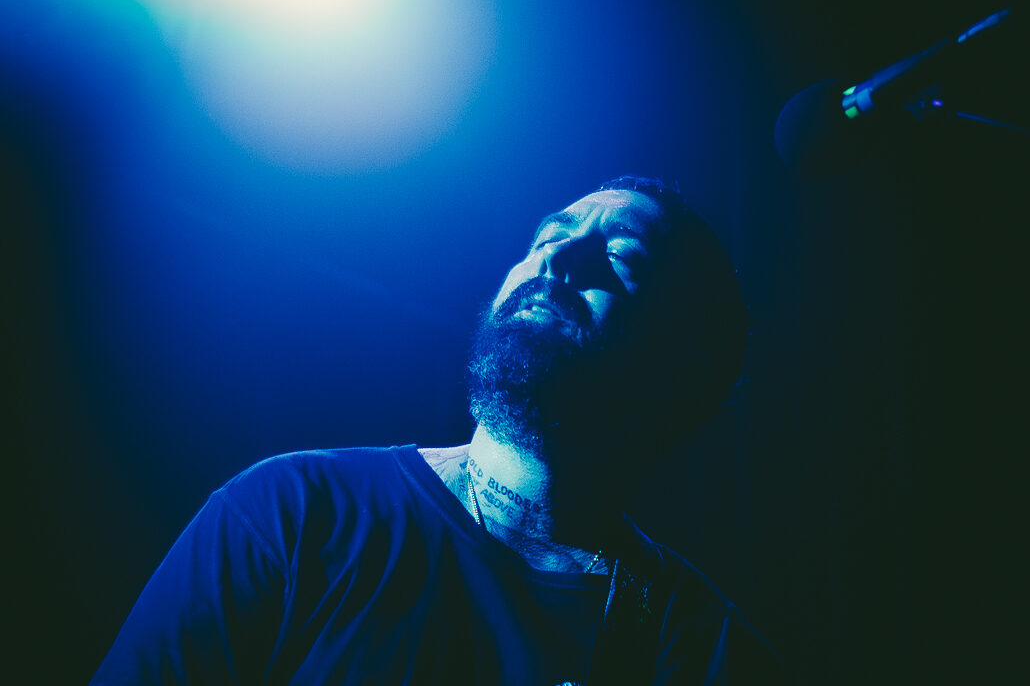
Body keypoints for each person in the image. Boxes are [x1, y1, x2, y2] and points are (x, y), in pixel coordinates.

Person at [91, 176, 781, 685]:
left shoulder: (709, 652)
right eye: (548, 237)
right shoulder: (293, 512)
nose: (558, 259)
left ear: (683, 366)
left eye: (622, 256)